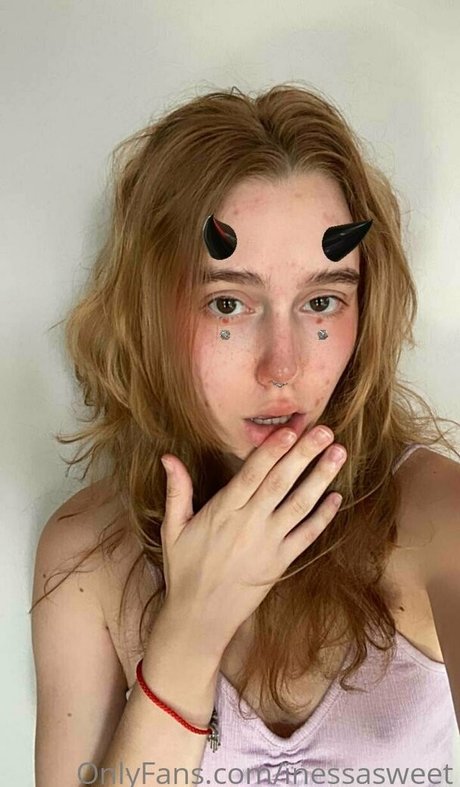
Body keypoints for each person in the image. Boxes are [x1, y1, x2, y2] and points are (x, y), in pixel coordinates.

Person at [30, 83, 460, 787]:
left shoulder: (440, 518)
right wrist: (190, 635)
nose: (282, 366)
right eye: (228, 302)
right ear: (150, 307)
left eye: (323, 299)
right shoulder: (85, 556)